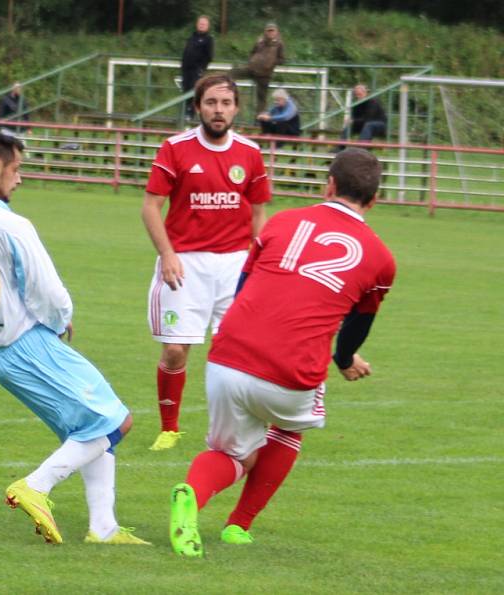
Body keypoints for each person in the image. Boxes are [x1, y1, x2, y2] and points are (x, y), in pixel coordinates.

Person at [0, 131, 149, 547]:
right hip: (30, 343)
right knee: (116, 421)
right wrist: (63, 320)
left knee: (87, 426)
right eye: (17, 168)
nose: (19, 178)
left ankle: (104, 528)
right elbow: (44, 288)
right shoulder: (10, 223)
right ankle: (35, 486)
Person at [167, 148, 397, 557]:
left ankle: (193, 495)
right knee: (289, 429)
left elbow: (244, 288)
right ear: (375, 199)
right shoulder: (380, 258)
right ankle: (238, 525)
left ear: (328, 185)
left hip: (227, 356)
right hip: (290, 371)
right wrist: (344, 360)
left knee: (228, 453)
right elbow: (359, 326)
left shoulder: (282, 220)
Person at [141, 74, 270, 452]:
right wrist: (167, 254)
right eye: (211, 103)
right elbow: (151, 207)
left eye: (226, 103)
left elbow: (259, 213)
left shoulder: (249, 152)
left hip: (234, 267)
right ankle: (169, 427)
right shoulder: (176, 148)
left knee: (238, 352)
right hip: (185, 264)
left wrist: (256, 259)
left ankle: (230, 431)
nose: (218, 110)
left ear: (236, 108)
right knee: (176, 350)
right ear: (197, 106)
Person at [230, 23, 285, 114]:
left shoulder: (279, 44)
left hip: (265, 74)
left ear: (276, 32)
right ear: (265, 31)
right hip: (251, 69)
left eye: (272, 31)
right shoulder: (260, 41)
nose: (270, 33)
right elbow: (252, 52)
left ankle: (258, 121)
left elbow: (282, 59)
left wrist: (271, 63)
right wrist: (252, 60)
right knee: (232, 73)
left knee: (261, 98)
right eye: (269, 30)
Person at [180, 15, 215, 119]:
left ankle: (192, 113)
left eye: (204, 24)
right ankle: (186, 111)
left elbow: (209, 56)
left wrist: (201, 68)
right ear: (197, 24)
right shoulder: (192, 37)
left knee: (194, 90)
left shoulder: (209, 39)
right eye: (200, 23)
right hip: (186, 70)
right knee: (186, 89)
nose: (201, 26)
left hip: (197, 70)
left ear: (207, 26)